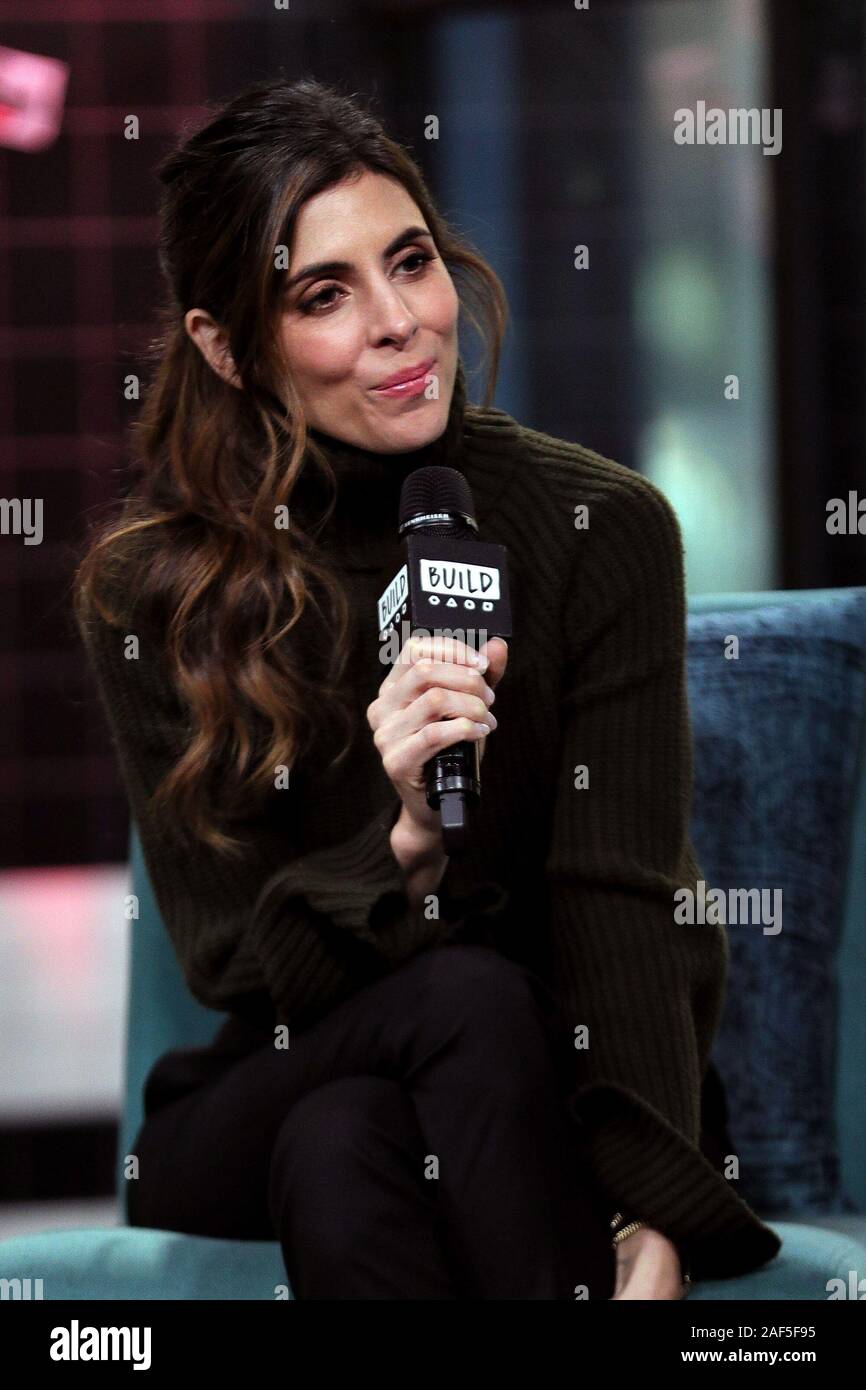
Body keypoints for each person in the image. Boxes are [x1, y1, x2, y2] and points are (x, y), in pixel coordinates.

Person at [73, 76, 781, 1300]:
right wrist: (397, 839)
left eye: (410, 262)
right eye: (323, 295)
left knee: (344, 1146)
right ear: (227, 346)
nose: (399, 323)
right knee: (442, 1002)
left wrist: (649, 1208)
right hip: (275, 1064)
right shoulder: (155, 591)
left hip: (544, 1091)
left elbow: (623, 904)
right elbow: (231, 956)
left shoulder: (595, 526)